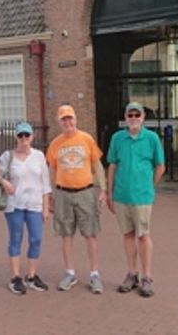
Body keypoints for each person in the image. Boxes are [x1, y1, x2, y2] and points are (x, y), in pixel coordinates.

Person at [46, 104, 107, 294]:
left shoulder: (86, 139)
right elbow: (52, 170)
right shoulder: (55, 143)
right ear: (59, 122)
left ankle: (94, 274)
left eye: (70, 118)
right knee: (66, 235)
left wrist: (103, 189)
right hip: (63, 193)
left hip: (85, 192)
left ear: (76, 119)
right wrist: (50, 195)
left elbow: (97, 165)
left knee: (90, 235)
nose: (68, 122)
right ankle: (70, 273)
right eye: (64, 119)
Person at [106, 102, 165, 298]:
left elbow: (160, 166)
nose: (133, 118)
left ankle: (147, 276)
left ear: (142, 117)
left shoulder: (152, 138)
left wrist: (149, 186)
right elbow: (112, 166)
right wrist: (109, 192)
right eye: (130, 115)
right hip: (122, 196)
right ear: (126, 117)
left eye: (136, 115)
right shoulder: (117, 138)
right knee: (128, 234)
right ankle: (132, 273)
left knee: (144, 235)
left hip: (142, 197)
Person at [0, 122, 52, 295]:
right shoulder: (8, 156)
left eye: (26, 135)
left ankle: (31, 275)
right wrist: (3, 181)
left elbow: (45, 183)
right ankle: (15, 277)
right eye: (20, 136)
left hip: (34, 204)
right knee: (16, 238)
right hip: (15, 204)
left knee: (36, 238)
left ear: (32, 137)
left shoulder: (39, 156)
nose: (24, 139)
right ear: (16, 137)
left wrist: (46, 207)